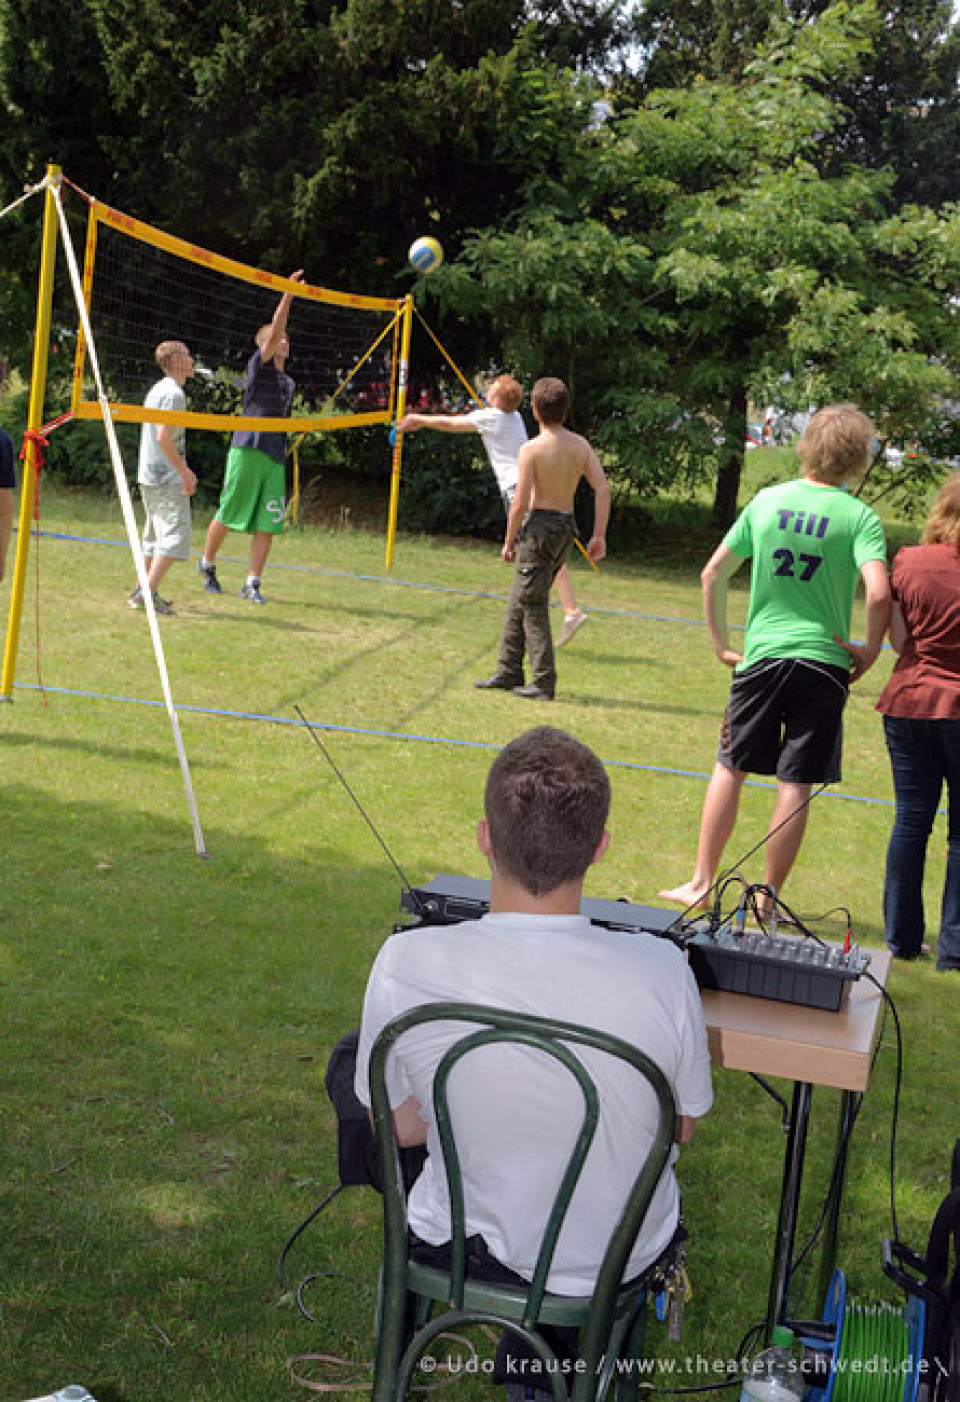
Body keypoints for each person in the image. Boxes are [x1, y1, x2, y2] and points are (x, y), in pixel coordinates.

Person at [354, 725, 713, 1311]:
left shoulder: (406, 960)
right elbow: (680, 1127)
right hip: (614, 1259)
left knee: (357, 1060)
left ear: (485, 839)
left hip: (459, 1243)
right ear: (600, 847)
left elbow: (395, 1128)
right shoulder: (665, 969)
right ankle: (559, 1359)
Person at [659, 404, 890, 913]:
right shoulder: (860, 517)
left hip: (762, 658)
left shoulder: (767, 501)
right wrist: (871, 651)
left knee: (730, 766)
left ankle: (700, 882)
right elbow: (878, 594)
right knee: (796, 782)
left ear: (807, 446)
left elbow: (711, 574)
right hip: (824, 664)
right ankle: (767, 897)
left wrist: (721, 643)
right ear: (857, 459)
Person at [398, 375, 588, 647]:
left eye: (492, 390)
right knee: (544, 553)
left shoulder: (493, 417)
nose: (487, 391)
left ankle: (567, 611)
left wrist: (419, 420)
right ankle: (568, 610)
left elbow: (452, 424)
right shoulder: (515, 418)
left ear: (498, 399)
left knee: (535, 555)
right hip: (528, 486)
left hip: (516, 489)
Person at [473, 377, 609, 700]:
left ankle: (543, 681)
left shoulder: (531, 449)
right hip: (566, 528)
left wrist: (508, 541)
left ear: (534, 410)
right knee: (520, 595)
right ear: (565, 409)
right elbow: (602, 487)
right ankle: (508, 669)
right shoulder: (580, 446)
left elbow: (520, 502)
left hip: (539, 529)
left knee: (532, 602)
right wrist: (599, 534)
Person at [876, 475, 960, 968]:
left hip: (911, 700)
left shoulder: (908, 560)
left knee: (911, 821)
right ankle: (953, 951)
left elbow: (899, 639)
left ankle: (902, 941)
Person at [198, 270, 303, 604]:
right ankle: (207, 563)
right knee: (230, 512)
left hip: (273, 455)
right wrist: (287, 295)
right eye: (276, 337)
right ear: (265, 345)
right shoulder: (260, 364)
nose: (282, 340)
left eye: (285, 337)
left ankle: (252, 583)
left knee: (268, 523)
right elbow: (274, 333)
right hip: (248, 448)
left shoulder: (289, 383)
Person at [128, 340, 196, 615]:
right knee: (175, 536)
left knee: (155, 536)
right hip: (164, 475)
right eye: (188, 355)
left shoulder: (160, 389)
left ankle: (141, 591)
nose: (192, 360)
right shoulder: (172, 394)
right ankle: (146, 593)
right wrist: (184, 472)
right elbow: (163, 437)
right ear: (176, 361)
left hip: (150, 472)